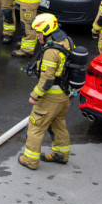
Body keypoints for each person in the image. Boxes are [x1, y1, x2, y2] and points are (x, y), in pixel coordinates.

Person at [19, 13, 74, 170]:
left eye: (39, 33)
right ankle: (61, 154)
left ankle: (30, 160)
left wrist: (35, 95)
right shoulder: (66, 41)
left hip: (51, 96)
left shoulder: (51, 51)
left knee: (35, 127)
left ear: (47, 32)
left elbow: (47, 80)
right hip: (64, 94)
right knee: (58, 123)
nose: (38, 36)